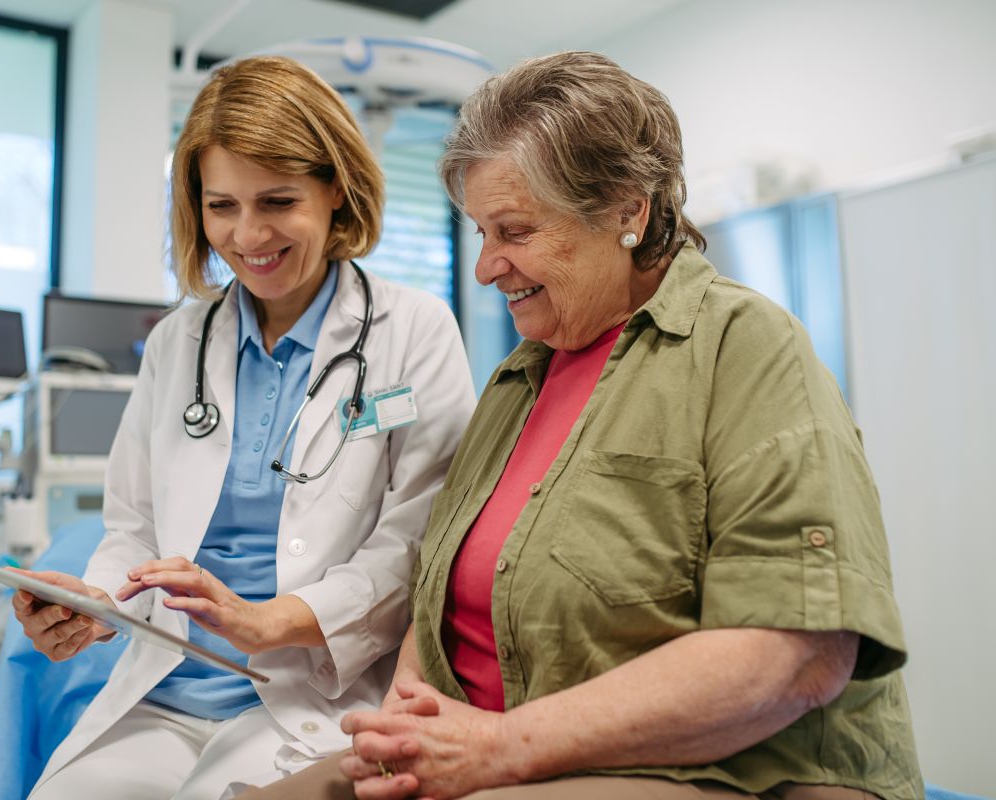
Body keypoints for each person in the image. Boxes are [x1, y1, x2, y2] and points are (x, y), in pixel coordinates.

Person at [240, 51, 922, 800]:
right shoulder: (517, 380)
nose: (487, 267)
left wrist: (502, 747)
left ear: (627, 212)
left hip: (720, 768)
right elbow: (442, 594)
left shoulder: (745, 348)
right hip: (493, 749)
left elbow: (795, 655)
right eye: (479, 233)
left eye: (516, 230)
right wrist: (411, 712)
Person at [10, 55, 475, 799]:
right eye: (220, 205)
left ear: (336, 190)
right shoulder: (177, 341)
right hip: (166, 688)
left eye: (277, 200)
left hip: (311, 690)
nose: (247, 234)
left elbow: (418, 545)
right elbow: (133, 528)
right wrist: (93, 608)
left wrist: (274, 622)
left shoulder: (411, 330)